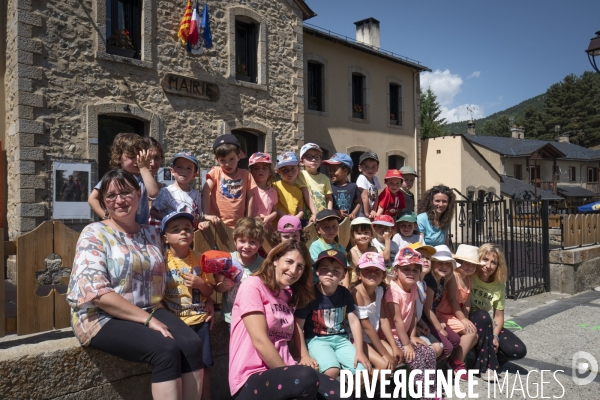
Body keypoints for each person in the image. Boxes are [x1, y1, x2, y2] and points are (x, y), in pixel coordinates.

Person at [67, 169, 204, 400]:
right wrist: (147, 320)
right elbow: (96, 293)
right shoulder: (94, 233)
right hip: (101, 316)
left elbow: (176, 271)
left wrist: (202, 301)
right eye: (110, 196)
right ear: (104, 202)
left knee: (192, 344)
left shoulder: (152, 234)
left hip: (150, 309)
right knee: (165, 349)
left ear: (138, 193)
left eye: (125, 193)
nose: (119, 200)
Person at [228, 241, 342, 400]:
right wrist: (288, 375)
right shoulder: (253, 285)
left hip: (287, 371)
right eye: (289, 262)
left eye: (300, 267)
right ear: (275, 260)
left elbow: (291, 333)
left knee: (343, 392)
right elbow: (260, 340)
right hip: (251, 376)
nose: (293, 270)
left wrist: (301, 359)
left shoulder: (289, 295)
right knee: (305, 378)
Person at [161, 211, 216, 400]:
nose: (183, 233)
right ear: (165, 238)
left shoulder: (201, 259)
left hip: (200, 322)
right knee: (180, 367)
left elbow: (210, 291)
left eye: (187, 228)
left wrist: (201, 284)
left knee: (204, 366)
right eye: (176, 230)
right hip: (174, 324)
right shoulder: (161, 262)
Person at [294, 249, 371, 379]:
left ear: (343, 275)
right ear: (317, 271)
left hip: (341, 340)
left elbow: (354, 321)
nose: (330, 273)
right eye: (324, 269)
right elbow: (298, 325)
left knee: (362, 370)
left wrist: (359, 351)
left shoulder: (344, 293)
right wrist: (304, 355)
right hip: (317, 340)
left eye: (336, 270)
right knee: (332, 371)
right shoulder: (309, 295)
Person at [385, 248, 439, 400]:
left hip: (405, 335)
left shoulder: (413, 286)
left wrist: (413, 335)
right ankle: (423, 395)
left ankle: (431, 390)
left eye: (415, 270)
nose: (411, 272)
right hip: (393, 336)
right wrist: (407, 343)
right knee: (415, 358)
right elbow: (397, 319)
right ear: (396, 270)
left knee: (428, 352)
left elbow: (413, 313)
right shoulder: (393, 290)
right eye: (406, 269)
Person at [470, 243, 527, 382]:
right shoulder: (470, 274)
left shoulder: (498, 286)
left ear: (498, 266)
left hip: (485, 324)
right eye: (485, 259)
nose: (488, 265)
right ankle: (486, 366)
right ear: (478, 259)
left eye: (493, 262)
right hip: (467, 319)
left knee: (518, 349)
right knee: (483, 316)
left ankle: (483, 359)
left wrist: (495, 336)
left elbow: (498, 316)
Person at [88, 133, 159, 224]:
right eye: (132, 157)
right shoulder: (114, 178)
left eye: (140, 157)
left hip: (140, 229)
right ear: (118, 157)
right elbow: (92, 198)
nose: (137, 161)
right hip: (119, 228)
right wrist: (106, 216)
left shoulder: (144, 176)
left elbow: (154, 193)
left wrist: (144, 168)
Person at [350, 252, 402, 370]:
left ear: (383, 276)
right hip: (356, 339)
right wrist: (385, 354)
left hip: (372, 338)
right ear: (358, 274)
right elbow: (367, 327)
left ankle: (376, 385)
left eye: (377, 270)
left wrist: (394, 346)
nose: (372, 273)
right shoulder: (356, 293)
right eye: (367, 269)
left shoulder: (379, 291)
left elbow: (383, 319)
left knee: (394, 359)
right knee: (384, 365)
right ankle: (363, 384)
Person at [435, 244, 479, 381]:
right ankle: (456, 363)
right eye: (466, 263)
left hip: (454, 314)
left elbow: (467, 302)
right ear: (459, 263)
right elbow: (453, 300)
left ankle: (456, 359)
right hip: (444, 313)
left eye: (473, 265)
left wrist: (465, 318)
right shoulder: (454, 276)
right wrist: (463, 320)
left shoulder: (469, 279)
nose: (469, 267)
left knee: (474, 335)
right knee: (471, 332)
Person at [215, 217, 265, 328]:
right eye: (242, 241)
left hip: (255, 317)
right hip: (231, 317)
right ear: (234, 240)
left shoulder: (263, 266)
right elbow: (217, 287)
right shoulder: (227, 260)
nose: (246, 246)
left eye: (252, 242)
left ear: (260, 243)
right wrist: (224, 285)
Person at [202, 134, 255, 228]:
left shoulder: (246, 175)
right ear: (217, 159)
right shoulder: (216, 172)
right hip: (217, 224)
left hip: (240, 225)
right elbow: (206, 191)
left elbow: (250, 197)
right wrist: (206, 214)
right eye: (222, 160)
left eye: (231, 159)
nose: (227, 164)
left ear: (238, 157)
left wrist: (249, 218)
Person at [422, 245, 462, 370]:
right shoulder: (430, 280)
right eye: (439, 263)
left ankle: (429, 367)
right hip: (424, 320)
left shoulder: (441, 280)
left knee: (455, 339)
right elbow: (427, 309)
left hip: (432, 318)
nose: (444, 267)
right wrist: (439, 328)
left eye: (447, 264)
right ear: (432, 264)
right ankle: (424, 370)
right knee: (448, 346)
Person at [151, 150, 212, 230]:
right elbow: (153, 212)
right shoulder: (166, 192)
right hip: (172, 235)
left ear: (194, 174)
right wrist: (169, 219)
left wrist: (200, 223)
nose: (184, 170)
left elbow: (198, 216)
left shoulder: (196, 194)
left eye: (189, 168)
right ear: (172, 171)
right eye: (179, 167)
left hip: (192, 236)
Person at [407, 242, 443, 358]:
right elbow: (408, 311)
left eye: (428, 258)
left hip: (415, 325)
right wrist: (415, 328)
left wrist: (421, 324)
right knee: (432, 349)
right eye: (420, 257)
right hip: (406, 329)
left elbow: (417, 311)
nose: (425, 260)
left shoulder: (423, 284)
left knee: (439, 346)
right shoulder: (411, 284)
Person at [296, 143, 333, 223]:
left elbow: (328, 198)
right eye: (309, 157)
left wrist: (328, 213)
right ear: (302, 161)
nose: (313, 159)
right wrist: (314, 213)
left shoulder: (325, 178)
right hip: (307, 217)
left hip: (322, 217)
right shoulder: (301, 174)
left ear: (320, 160)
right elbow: (306, 193)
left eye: (317, 157)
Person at [308, 210, 346, 282]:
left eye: (334, 226)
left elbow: (345, 268)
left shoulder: (340, 248)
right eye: (326, 227)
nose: (331, 230)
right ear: (318, 229)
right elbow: (317, 268)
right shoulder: (316, 246)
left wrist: (346, 286)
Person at [322, 153, 361, 220]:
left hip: (349, 223)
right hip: (333, 224)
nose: (331, 173)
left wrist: (353, 213)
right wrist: (336, 212)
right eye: (330, 170)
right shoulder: (329, 187)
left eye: (334, 170)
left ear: (345, 171)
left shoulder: (353, 187)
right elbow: (326, 204)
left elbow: (358, 202)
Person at [248, 152, 278, 231]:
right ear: (251, 172)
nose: (260, 170)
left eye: (264, 168)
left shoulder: (273, 191)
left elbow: (275, 211)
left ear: (270, 172)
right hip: (251, 227)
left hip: (267, 228)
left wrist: (269, 217)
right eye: (256, 168)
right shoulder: (249, 189)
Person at [272, 151, 305, 222]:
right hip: (277, 226)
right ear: (279, 172)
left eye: (293, 168)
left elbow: (300, 210)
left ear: (298, 170)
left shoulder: (299, 192)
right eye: (285, 170)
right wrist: (287, 218)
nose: (289, 172)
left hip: (293, 225)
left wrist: (295, 218)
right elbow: (273, 207)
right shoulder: (275, 186)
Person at [347, 217, 379, 285]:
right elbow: (361, 268)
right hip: (358, 279)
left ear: (371, 234)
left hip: (372, 276)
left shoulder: (373, 249)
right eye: (359, 233)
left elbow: (378, 264)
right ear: (353, 236)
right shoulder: (353, 251)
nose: (363, 236)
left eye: (366, 233)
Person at [356, 152, 380, 219]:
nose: (370, 169)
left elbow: (376, 197)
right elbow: (364, 197)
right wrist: (367, 214)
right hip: (362, 214)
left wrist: (374, 210)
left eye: (373, 167)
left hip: (371, 213)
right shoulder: (362, 178)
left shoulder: (375, 179)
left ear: (377, 168)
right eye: (366, 167)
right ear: (360, 168)